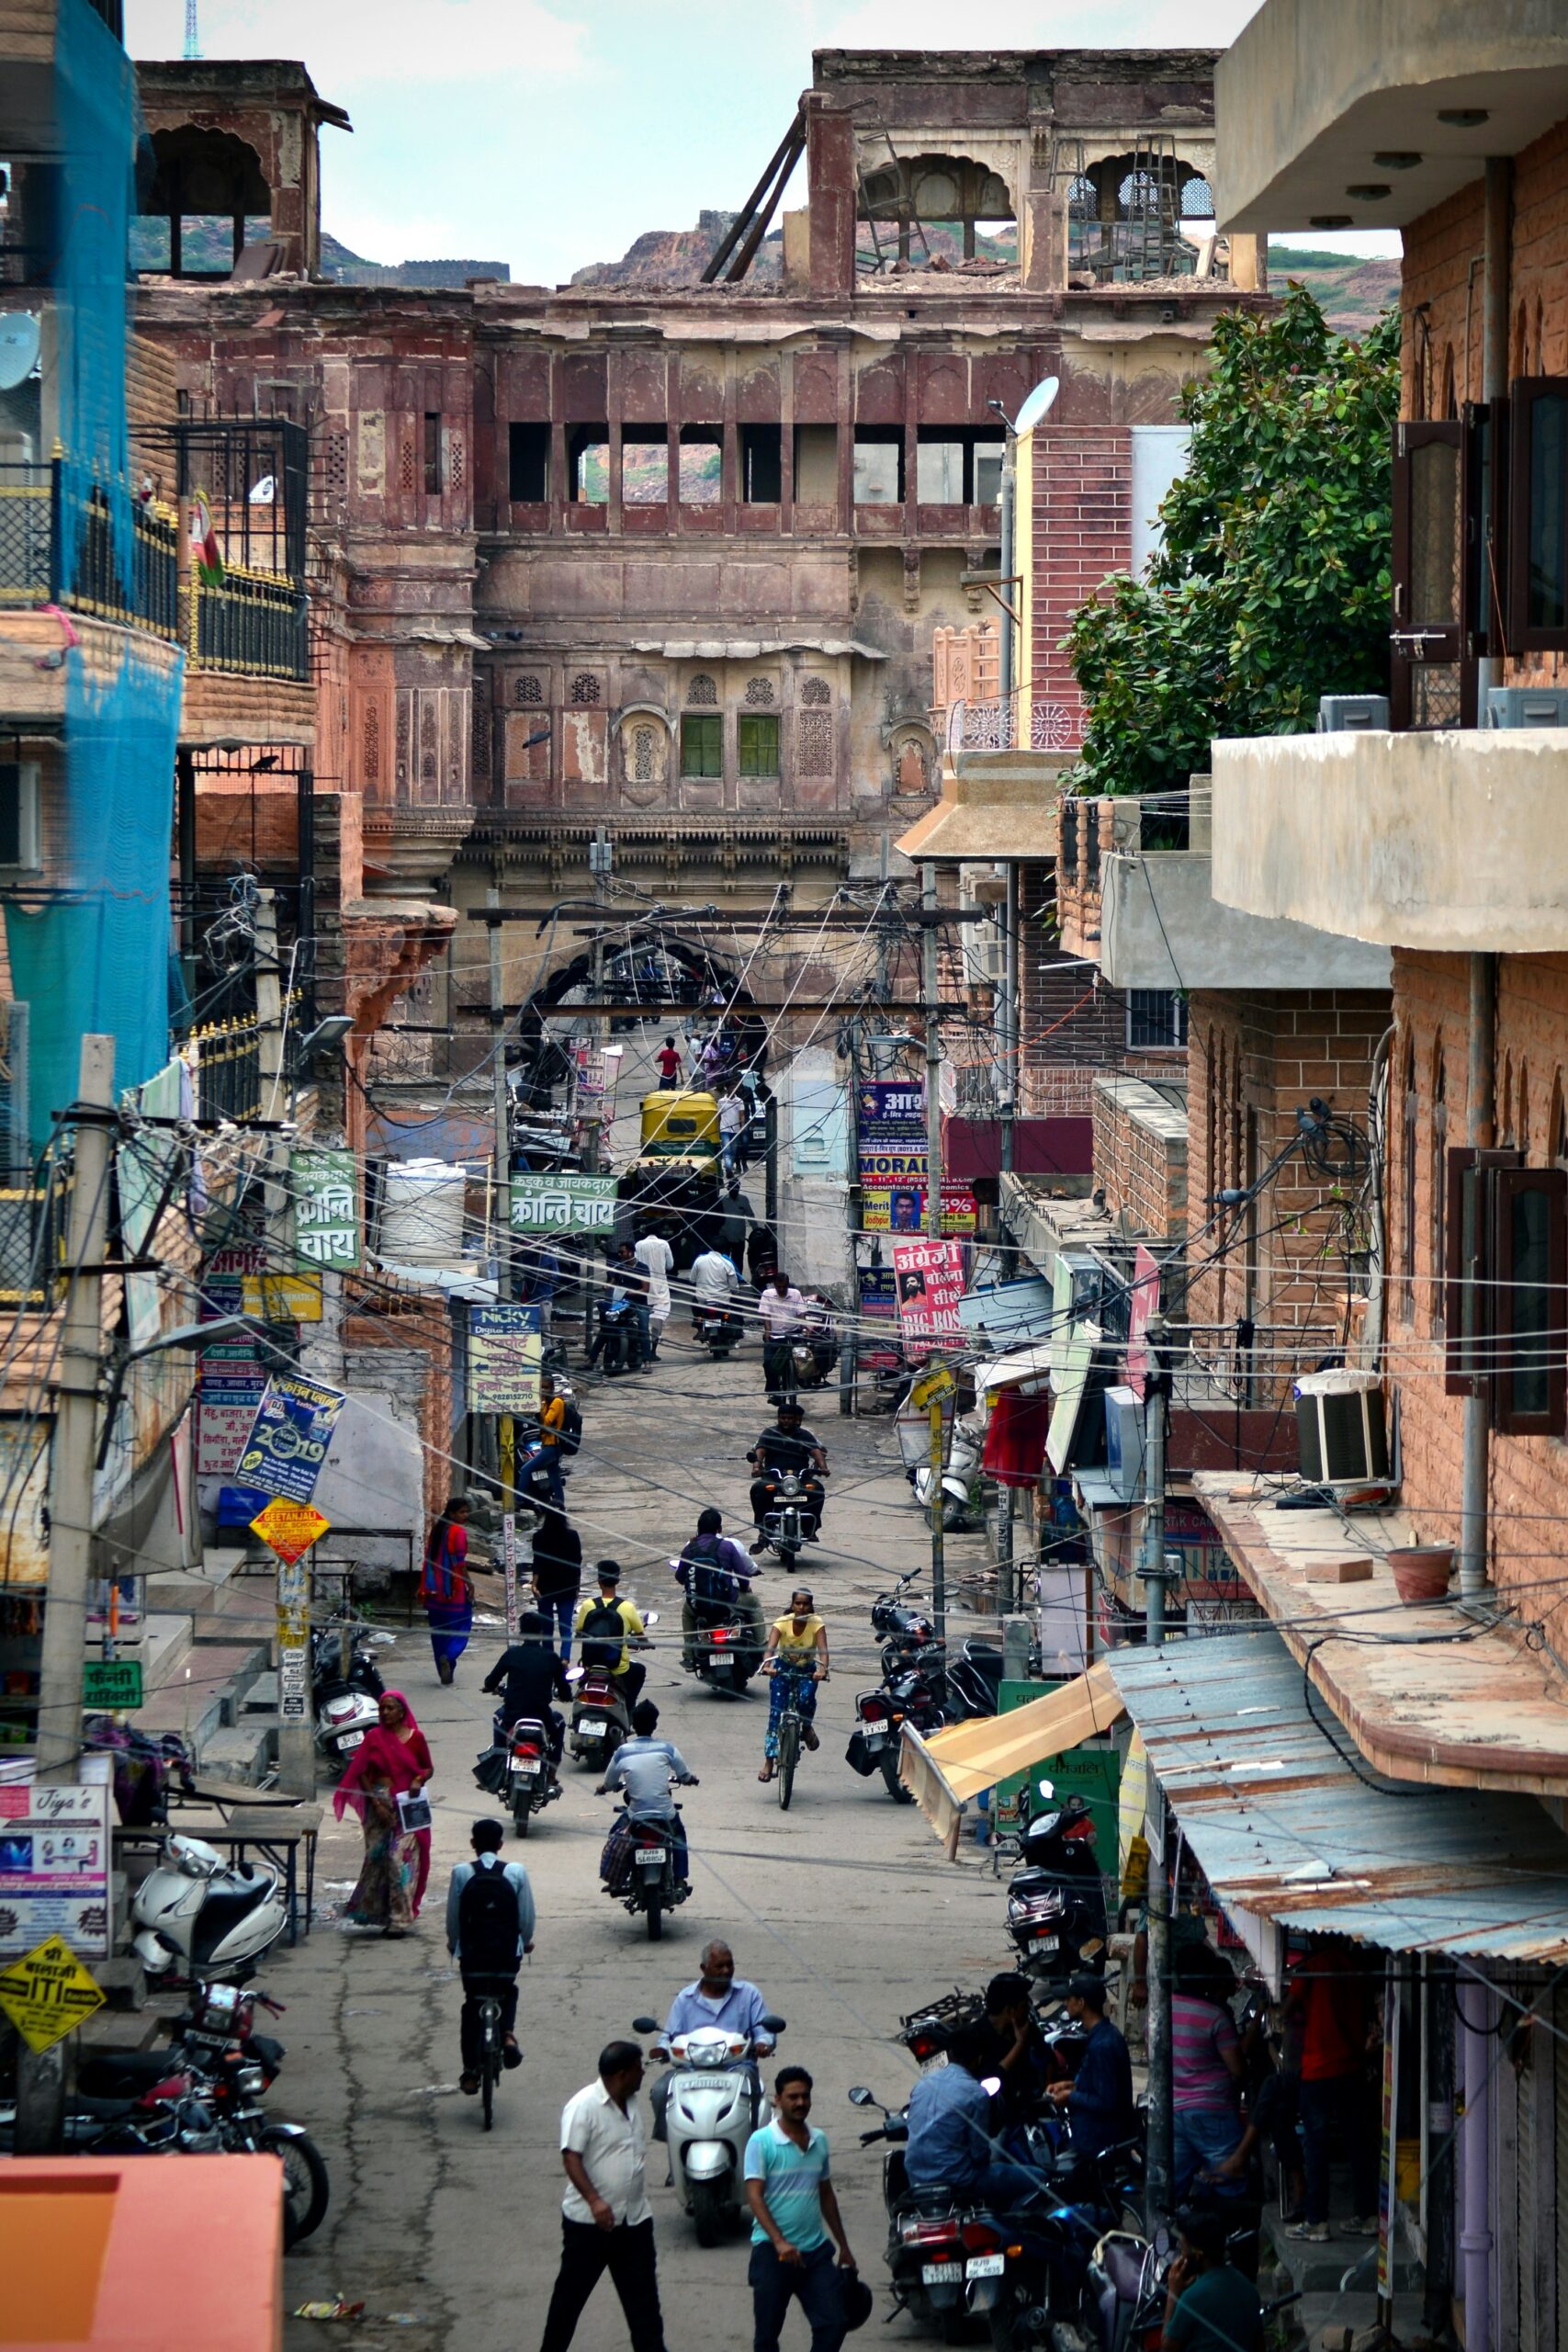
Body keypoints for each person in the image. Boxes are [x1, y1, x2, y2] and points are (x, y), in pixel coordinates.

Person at [538, 2040, 667, 2352]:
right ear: (623, 2074)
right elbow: (571, 2157)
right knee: (567, 2305)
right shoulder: (583, 2106)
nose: (642, 2075)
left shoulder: (631, 2101)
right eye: (639, 2069)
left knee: (646, 2313)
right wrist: (595, 2200)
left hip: (634, 2222)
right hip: (588, 2228)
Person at [745, 2065, 856, 2352]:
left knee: (834, 2323)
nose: (800, 2103)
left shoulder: (819, 2140)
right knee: (766, 2337)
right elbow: (754, 2196)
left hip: (815, 2252)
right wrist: (780, 2242)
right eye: (793, 2097)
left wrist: (844, 2246)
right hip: (772, 2253)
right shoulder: (761, 2142)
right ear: (778, 2100)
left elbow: (826, 2195)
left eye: (805, 2096)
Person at [1285, 1937, 1377, 2240]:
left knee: (1317, 2147)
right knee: (1357, 2144)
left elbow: (1288, 2007)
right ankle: (1367, 2214)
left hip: (1319, 2069)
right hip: (1351, 2067)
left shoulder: (1314, 1966)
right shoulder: (1356, 1968)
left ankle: (1317, 2220)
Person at [906, 2025, 1046, 2215]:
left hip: (916, 2179)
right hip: (959, 2182)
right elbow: (979, 2154)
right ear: (978, 2059)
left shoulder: (921, 2085)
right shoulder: (976, 2094)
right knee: (1040, 2177)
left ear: (951, 2054)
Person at [651, 1938, 775, 2141]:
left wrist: (764, 2043)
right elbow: (670, 2035)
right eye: (719, 1966)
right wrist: (663, 2049)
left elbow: (764, 2029)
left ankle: (752, 2141)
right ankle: (674, 2142)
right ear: (704, 1968)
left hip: (737, 2068)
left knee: (752, 2089)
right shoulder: (685, 1998)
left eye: (730, 1965)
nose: (726, 1971)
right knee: (660, 2090)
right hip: (692, 2070)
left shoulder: (748, 1994)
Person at [446, 1816, 536, 2095]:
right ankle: (507, 2035)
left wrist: (454, 1944)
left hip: (472, 1957)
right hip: (507, 1954)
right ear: (500, 1844)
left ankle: (471, 2073)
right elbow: (526, 1916)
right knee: (508, 1991)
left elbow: (453, 1919)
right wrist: (526, 1941)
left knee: (471, 2004)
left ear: (472, 1843)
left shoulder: (461, 1872)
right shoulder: (516, 1871)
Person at [333, 1690, 434, 1923]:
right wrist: (376, 1803)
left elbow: (428, 1767)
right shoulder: (374, 1738)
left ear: (401, 1712)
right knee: (376, 1859)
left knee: (398, 1858)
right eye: (382, 1709)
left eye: (390, 1708)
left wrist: (419, 1780)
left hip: (407, 1806)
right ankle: (376, 1911)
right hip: (378, 1805)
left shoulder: (416, 1738)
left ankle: (400, 1917)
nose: (385, 1713)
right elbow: (361, 1773)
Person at [596, 1700, 696, 1892]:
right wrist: (691, 1780)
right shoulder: (668, 1749)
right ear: (655, 1725)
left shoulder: (622, 1752)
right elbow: (684, 1775)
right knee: (679, 1837)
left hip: (636, 1815)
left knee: (614, 1834)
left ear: (633, 1725)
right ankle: (680, 1879)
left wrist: (603, 1788)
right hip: (665, 1814)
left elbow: (609, 1783)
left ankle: (618, 1877)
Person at [1170, 1946, 1246, 2199]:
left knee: (1173, 2188)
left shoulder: (1161, 2010)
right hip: (1213, 2112)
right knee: (1229, 2182)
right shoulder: (1215, 2015)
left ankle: (1166, 2236)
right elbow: (1237, 2070)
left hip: (1174, 2109)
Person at [1045, 1974, 1136, 2157]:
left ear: (1081, 2002)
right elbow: (1097, 2083)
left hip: (1098, 2139)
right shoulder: (1102, 2036)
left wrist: (1070, 2096)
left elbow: (1106, 2101)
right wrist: (1070, 2086)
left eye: (1069, 1999)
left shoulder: (1103, 2045)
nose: (1065, 2004)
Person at [1159, 2204, 1262, 2352]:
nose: (1181, 2257)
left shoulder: (1191, 2298)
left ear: (1197, 2256)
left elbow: (1166, 2349)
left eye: (1182, 2250)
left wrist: (1173, 2295)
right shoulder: (1249, 2289)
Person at [674, 1507, 766, 1670]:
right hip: (727, 1604)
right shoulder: (728, 1546)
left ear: (698, 1528)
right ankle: (762, 1649)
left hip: (698, 1606)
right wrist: (744, 1589)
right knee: (754, 1604)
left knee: (686, 1613)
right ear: (719, 1529)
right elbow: (743, 1577)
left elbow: (680, 1578)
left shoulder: (689, 1548)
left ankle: (689, 1654)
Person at [759, 1589, 829, 1785]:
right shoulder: (782, 1622)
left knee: (807, 1699)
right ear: (792, 1604)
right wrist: (768, 1666)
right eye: (798, 1603)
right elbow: (770, 1649)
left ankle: (806, 1727)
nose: (801, 1607)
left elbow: (823, 1652)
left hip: (807, 1670)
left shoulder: (817, 1623)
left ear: (811, 1606)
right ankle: (769, 1762)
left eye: (805, 1604)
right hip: (782, 1670)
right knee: (775, 1713)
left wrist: (822, 1670)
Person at [483, 1608, 573, 1759]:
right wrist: (566, 1696)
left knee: (497, 1717)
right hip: (543, 1716)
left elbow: (491, 1680)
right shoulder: (551, 1658)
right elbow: (564, 1687)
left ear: (521, 1633)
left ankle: (498, 1761)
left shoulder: (511, 1654)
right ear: (541, 1633)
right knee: (560, 1723)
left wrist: (489, 1687)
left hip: (512, 1717)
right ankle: (551, 1772)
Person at [974, 1972, 1060, 2127]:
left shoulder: (1029, 2029)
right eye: (1023, 2006)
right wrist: (1020, 2044)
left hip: (1029, 2112)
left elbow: (1048, 2059)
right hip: (994, 2121)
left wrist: (1047, 2090)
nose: (1027, 2010)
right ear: (1010, 2010)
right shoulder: (977, 2036)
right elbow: (991, 2080)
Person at [749, 1402, 828, 1551]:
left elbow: (816, 1452)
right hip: (774, 1476)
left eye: (789, 1418)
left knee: (817, 1490)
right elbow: (760, 1450)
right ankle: (763, 1530)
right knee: (759, 1489)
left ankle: (811, 1528)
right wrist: (757, 1467)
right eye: (783, 1418)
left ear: (795, 1419)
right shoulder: (769, 1433)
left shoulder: (804, 1435)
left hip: (800, 1476)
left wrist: (823, 1468)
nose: (786, 1421)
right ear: (778, 1418)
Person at [574, 1561, 649, 1705]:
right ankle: (629, 1706)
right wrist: (646, 1644)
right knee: (639, 1670)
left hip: (591, 1667)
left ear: (598, 1581)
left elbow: (579, 1632)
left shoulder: (588, 1605)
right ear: (618, 1581)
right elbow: (641, 1637)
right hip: (619, 1669)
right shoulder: (627, 1607)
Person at [422, 1496, 473, 1683]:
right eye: (462, 1512)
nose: (465, 1515)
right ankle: (449, 1657)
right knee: (462, 1625)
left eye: (467, 1512)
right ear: (452, 1513)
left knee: (438, 1631)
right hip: (453, 1588)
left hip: (433, 1589)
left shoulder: (437, 1530)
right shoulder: (457, 1532)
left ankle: (444, 1670)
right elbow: (459, 1564)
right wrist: (470, 1583)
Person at [532, 1502, 584, 1659]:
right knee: (566, 1627)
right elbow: (577, 1563)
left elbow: (537, 1562)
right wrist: (577, 1585)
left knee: (546, 1628)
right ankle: (565, 1659)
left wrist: (534, 1584)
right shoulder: (572, 1536)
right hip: (567, 1586)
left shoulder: (539, 1537)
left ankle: (548, 1658)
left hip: (545, 1587)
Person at [521, 1374, 570, 1508]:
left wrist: (537, 1408)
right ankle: (560, 1506)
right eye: (541, 1388)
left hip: (553, 1446)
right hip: (547, 1445)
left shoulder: (557, 1403)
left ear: (552, 1389)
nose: (543, 1391)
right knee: (554, 1478)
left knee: (526, 1469)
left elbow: (546, 1422)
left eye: (546, 1388)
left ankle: (518, 1500)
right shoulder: (545, 1404)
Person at [758, 1270, 808, 1398]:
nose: (781, 1289)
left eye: (783, 1287)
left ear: (788, 1285)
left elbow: (801, 1313)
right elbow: (766, 1315)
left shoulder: (795, 1294)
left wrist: (805, 1328)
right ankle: (774, 1391)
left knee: (805, 1359)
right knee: (769, 1363)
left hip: (794, 1333)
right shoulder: (767, 1294)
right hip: (775, 1335)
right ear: (774, 1285)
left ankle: (802, 1380)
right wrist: (768, 1331)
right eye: (778, 1287)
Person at [634, 1227, 675, 1358]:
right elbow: (670, 1265)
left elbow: (634, 1263)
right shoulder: (664, 1244)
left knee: (640, 1317)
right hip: (660, 1287)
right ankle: (653, 1351)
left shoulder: (639, 1245)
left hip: (642, 1285)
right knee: (658, 1319)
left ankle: (640, 1347)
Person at [688, 1239, 739, 1331]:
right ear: (723, 1250)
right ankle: (738, 1329)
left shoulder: (699, 1261)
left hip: (703, 1299)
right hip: (722, 1299)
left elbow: (692, 1280)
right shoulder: (727, 1263)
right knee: (738, 1305)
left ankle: (699, 1327)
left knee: (694, 1305)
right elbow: (734, 1287)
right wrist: (735, 1292)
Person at [718, 1085, 747, 1178]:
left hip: (736, 1130)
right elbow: (718, 1115)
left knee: (733, 1151)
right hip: (724, 1129)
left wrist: (742, 1127)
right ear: (727, 1089)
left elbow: (742, 1115)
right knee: (727, 1151)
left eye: (734, 1088)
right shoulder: (721, 1101)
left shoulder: (739, 1101)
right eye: (731, 1087)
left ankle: (729, 1167)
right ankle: (729, 1169)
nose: (732, 1089)